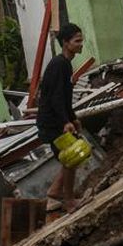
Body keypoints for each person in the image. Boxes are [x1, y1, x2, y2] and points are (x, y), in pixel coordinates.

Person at [36, 22, 85, 209]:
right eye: (77, 41)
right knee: (71, 157)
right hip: (52, 122)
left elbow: (65, 97)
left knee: (71, 157)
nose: (81, 44)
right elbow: (56, 97)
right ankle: (69, 200)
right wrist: (65, 122)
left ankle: (55, 192)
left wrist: (73, 117)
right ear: (65, 43)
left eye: (81, 40)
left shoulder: (65, 64)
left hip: (57, 119)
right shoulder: (59, 65)